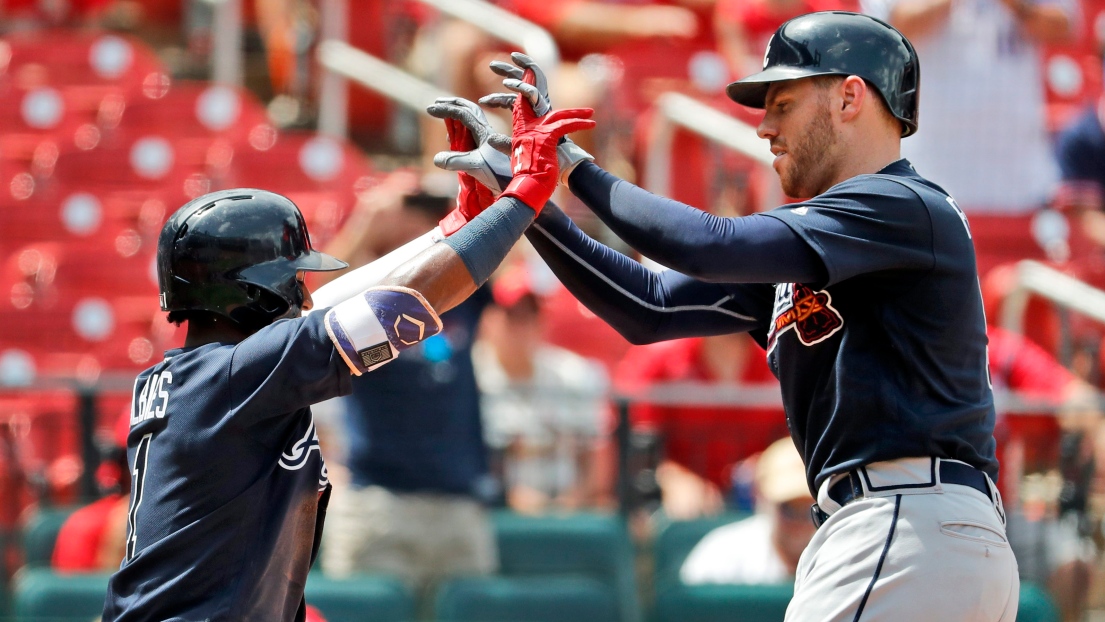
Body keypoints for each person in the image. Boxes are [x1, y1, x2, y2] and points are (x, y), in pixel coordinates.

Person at [437, 12, 1015, 619]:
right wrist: (523, 200)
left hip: (903, 521)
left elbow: (710, 246)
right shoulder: (836, 243)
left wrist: (571, 163)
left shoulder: (903, 205)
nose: (764, 127)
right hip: (914, 529)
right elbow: (649, 309)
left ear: (850, 96)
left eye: (784, 102)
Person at [100, 80, 596, 621]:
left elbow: (336, 304)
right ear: (252, 294)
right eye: (289, 280)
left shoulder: (202, 372)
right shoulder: (240, 374)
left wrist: (456, 227)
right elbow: (406, 304)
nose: (302, 291)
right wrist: (522, 197)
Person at [317, 180, 498, 596]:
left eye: (432, 210)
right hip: (379, 500)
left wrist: (469, 212)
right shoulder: (364, 297)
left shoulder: (458, 291)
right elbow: (312, 308)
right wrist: (369, 221)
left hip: (459, 502)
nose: (423, 220)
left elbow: (511, 251)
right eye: (414, 209)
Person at [861, 0, 1073, 214]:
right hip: (932, 169)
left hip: (1017, 175)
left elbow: (1063, 26)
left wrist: (1017, 6)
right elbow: (890, 30)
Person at [474, 264, 611, 514]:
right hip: (494, 513)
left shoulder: (573, 375)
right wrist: (509, 497)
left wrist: (572, 503)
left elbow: (596, 458)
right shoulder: (472, 377)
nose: (523, 327)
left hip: (566, 513)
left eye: (531, 315)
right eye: (513, 316)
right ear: (489, 319)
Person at [615, 333, 785, 519]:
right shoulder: (659, 356)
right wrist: (672, 478)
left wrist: (767, 468)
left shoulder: (782, 357)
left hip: (763, 503)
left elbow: (794, 445)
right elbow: (637, 445)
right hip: (679, 511)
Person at [680, 437, 816, 585]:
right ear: (763, 501)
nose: (801, 522)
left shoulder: (837, 554)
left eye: (812, 510)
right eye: (789, 508)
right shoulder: (722, 555)